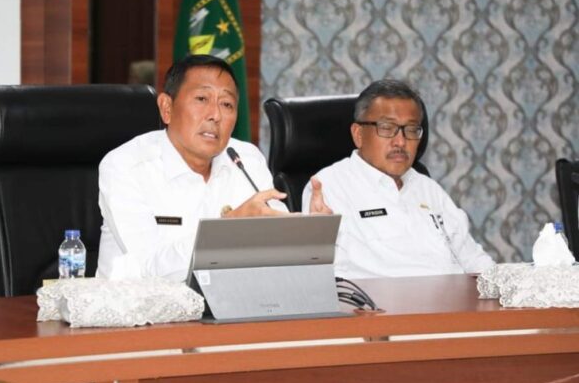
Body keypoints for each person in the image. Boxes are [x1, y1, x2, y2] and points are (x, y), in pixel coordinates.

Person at [97, 54, 329, 282]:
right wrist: (229, 230)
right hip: (142, 304)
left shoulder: (246, 160)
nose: (215, 115)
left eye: (226, 104)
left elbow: (278, 244)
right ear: (167, 108)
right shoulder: (125, 166)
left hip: (231, 301)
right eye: (201, 99)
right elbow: (148, 268)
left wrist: (309, 234)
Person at [302, 80, 495, 279]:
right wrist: (316, 242)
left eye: (411, 129)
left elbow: (475, 260)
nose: (401, 142)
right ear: (358, 134)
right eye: (387, 127)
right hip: (380, 299)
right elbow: (324, 279)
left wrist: (506, 285)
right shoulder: (330, 187)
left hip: (455, 296)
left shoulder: (428, 188)